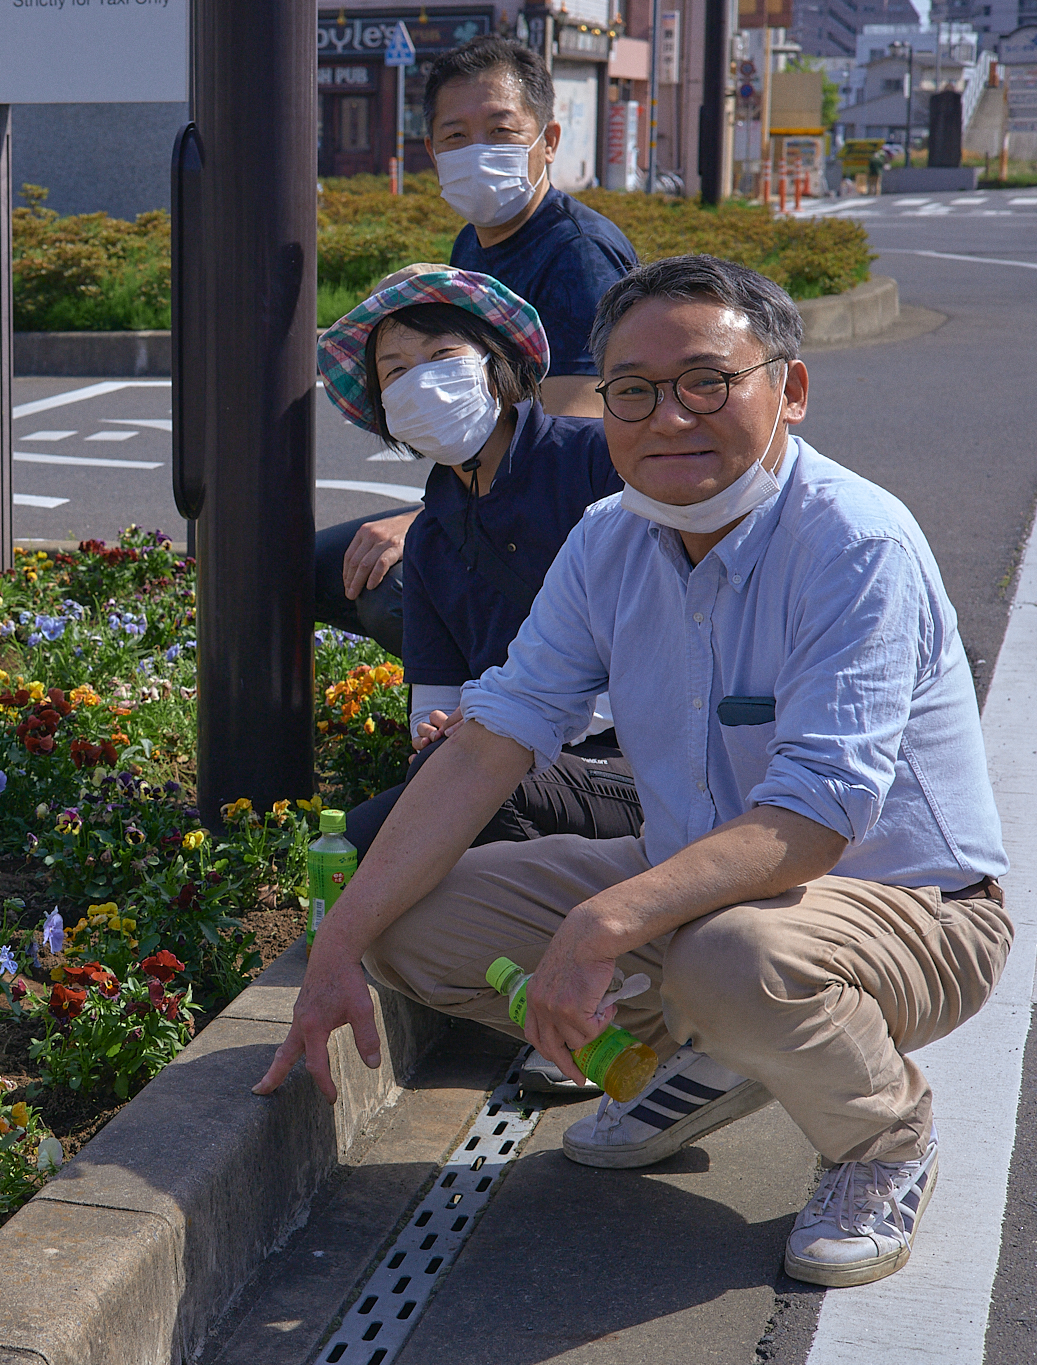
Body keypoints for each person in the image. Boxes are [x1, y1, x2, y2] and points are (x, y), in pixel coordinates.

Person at [260, 254, 1010, 1290]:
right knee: (408, 922)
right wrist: (337, 942)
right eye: (635, 390)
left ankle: (882, 1141)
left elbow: (816, 819)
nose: (670, 417)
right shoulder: (609, 537)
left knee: (730, 957)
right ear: (603, 401)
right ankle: (702, 1058)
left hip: (911, 908)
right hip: (697, 886)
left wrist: (601, 924)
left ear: (789, 389)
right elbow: (489, 740)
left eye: (707, 380)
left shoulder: (853, 541)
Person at [320, 35, 639, 654]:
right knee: (304, 567)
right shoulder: (474, 242)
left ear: (547, 140)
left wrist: (424, 524)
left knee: (396, 591)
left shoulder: (577, 256)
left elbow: (570, 444)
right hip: (478, 502)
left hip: (555, 529)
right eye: (456, 136)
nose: (477, 151)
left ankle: (506, 699)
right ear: (432, 151)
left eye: (500, 131)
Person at [315, 264, 639, 853]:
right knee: (354, 850)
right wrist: (438, 729)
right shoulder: (429, 536)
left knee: (478, 793)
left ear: (495, 365)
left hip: (641, 757)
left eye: (442, 355)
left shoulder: (597, 460)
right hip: (516, 757)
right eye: (396, 371)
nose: (421, 381)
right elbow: (434, 697)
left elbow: (669, 634)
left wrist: (503, 723)